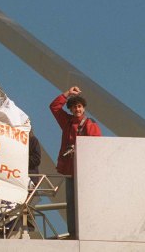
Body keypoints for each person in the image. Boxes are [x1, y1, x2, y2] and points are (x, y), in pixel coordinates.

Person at [49, 86, 102, 239]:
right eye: (74, 107)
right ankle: (73, 232)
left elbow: (96, 146)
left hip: (84, 170)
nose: (77, 109)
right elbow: (54, 107)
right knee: (71, 202)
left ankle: (85, 230)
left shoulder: (90, 124)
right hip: (70, 169)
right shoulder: (67, 122)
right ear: (71, 110)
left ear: (83, 108)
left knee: (84, 200)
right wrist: (67, 94)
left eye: (79, 106)